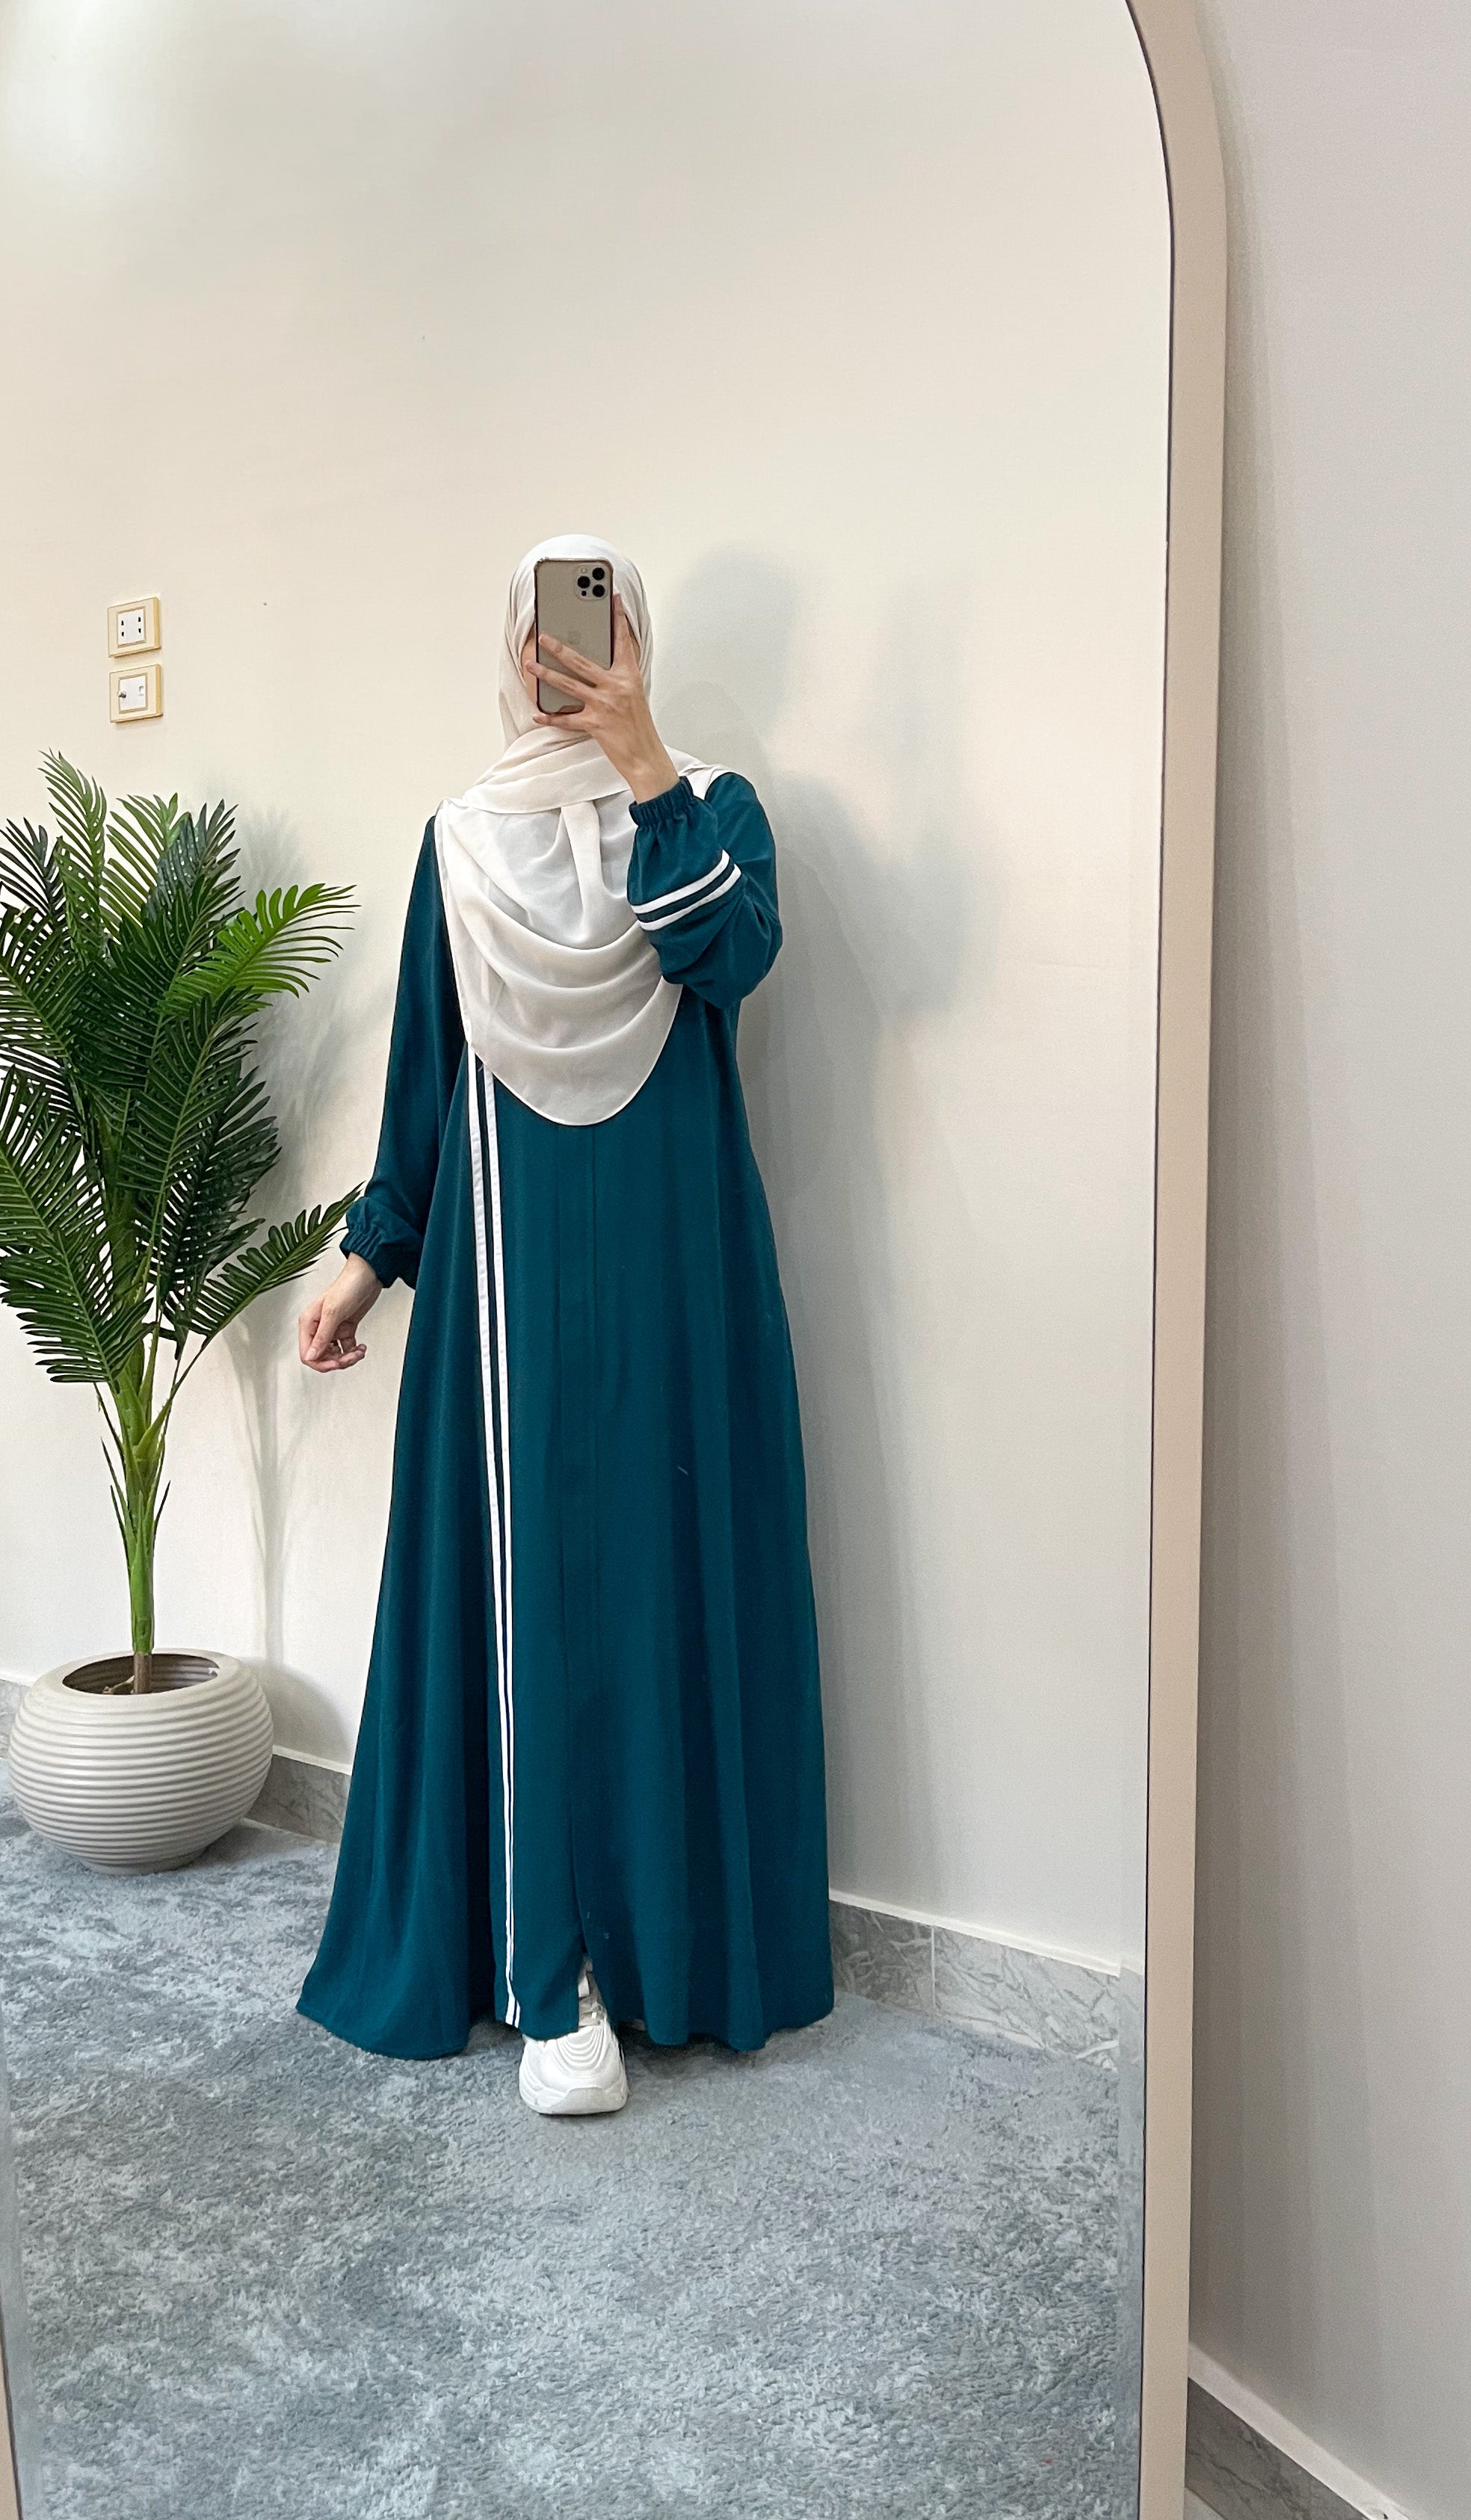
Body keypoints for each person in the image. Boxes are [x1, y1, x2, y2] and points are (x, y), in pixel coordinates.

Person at [295, 536, 832, 2113]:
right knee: (528, 1579)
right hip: (505, 1258)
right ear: (512, 646)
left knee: (657, 1569)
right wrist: (369, 1257)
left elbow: (734, 957)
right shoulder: (460, 842)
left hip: (674, 1259)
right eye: (543, 628)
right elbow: (426, 1077)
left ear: (632, 635)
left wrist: (646, 765)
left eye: (593, 622)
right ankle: (553, 1979)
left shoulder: (712, 810)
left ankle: (674, 1952)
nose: (564, 653)